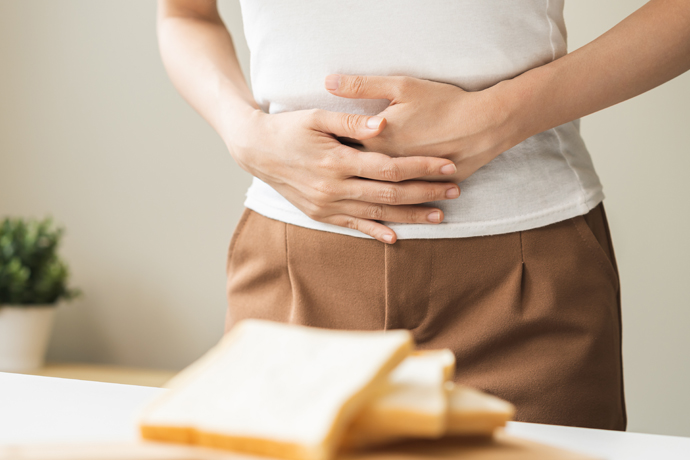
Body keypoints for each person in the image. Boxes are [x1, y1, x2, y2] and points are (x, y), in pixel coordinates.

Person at [156, 0, 690, 431]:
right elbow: (185, 13)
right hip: (296, 276)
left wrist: (501, 116)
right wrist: (242, 132)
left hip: (523, 280)